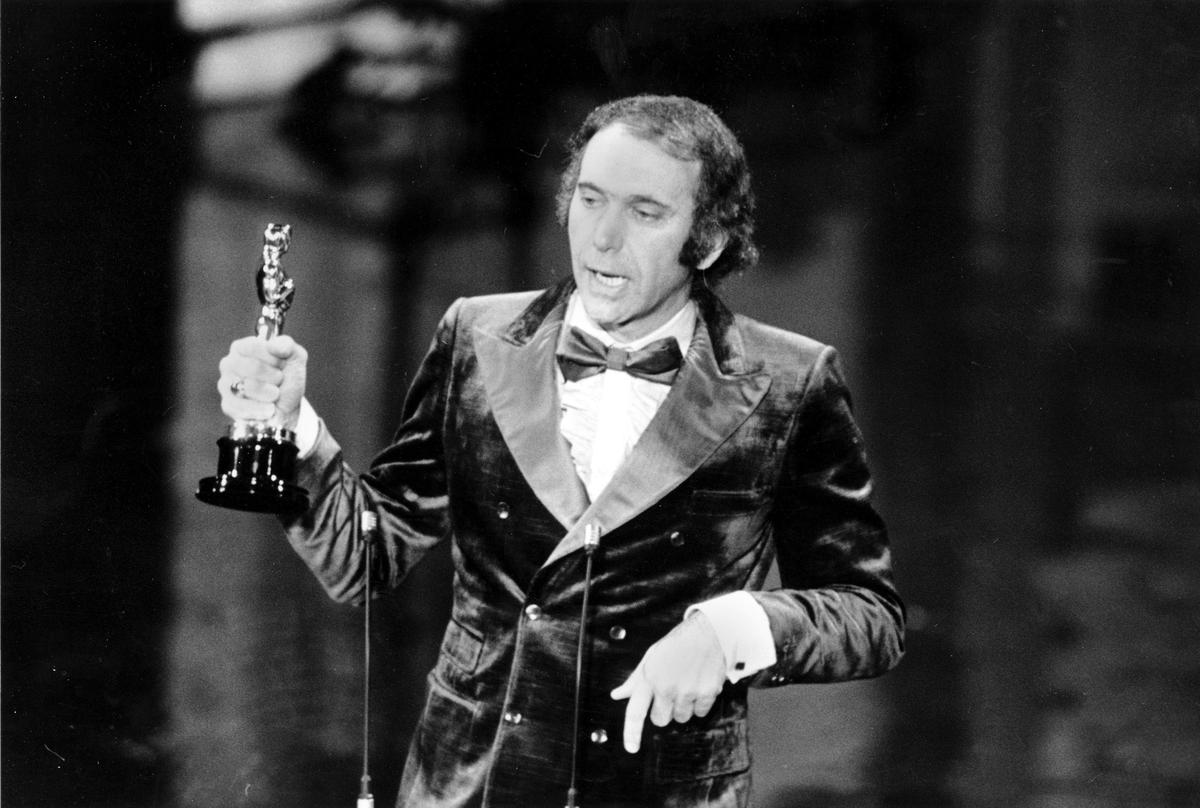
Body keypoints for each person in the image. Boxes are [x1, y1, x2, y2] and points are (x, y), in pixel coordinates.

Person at [217, 94, 904, 808]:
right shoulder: (475, 339)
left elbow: (870, 614)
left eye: (644, 213)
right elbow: (364, 556)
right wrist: (292, 428)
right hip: (468, 786)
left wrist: (734, 627)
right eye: (590, 198)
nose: (601, 239)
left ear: (708, 242)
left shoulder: (791, 381)